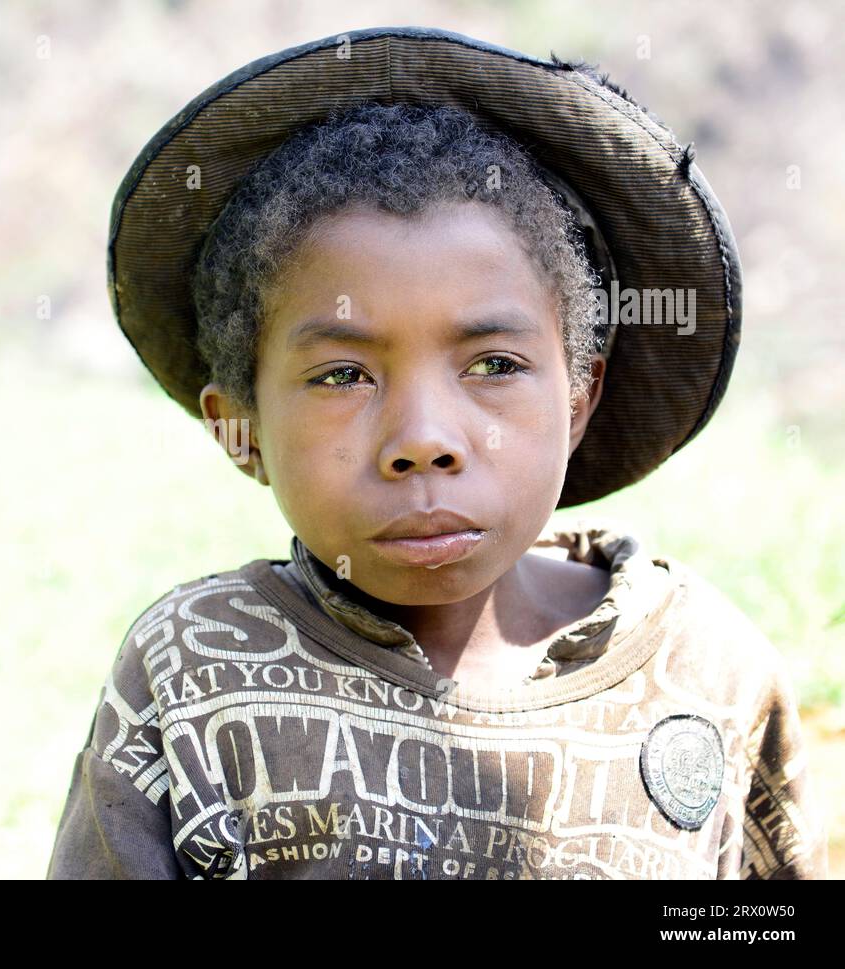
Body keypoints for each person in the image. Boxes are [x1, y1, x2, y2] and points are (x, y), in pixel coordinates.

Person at [45, 27, 828, 879]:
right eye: (343, 374)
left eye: (493, 365)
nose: (423, 439)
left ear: (578, 396)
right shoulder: (194, 664)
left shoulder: (704, 672)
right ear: (241, 426)